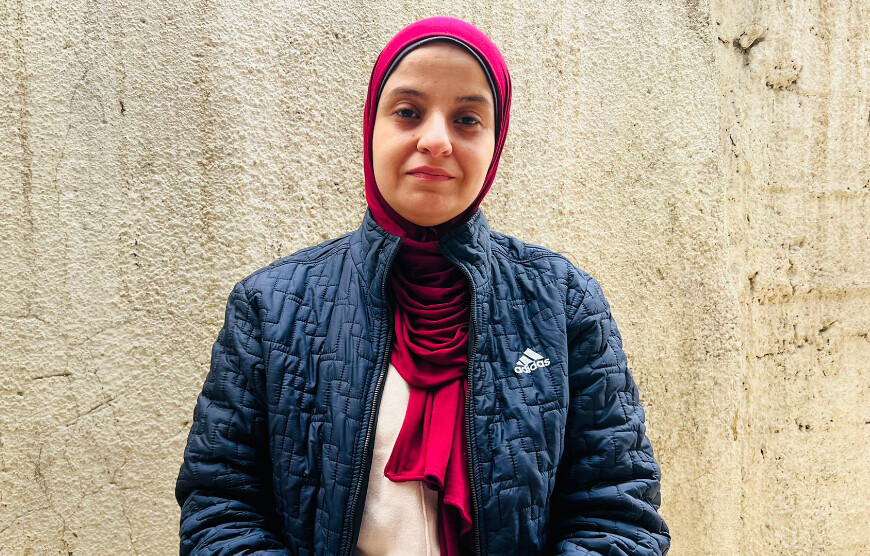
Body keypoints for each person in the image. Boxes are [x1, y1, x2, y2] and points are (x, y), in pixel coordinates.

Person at [175, 16, 670, 556]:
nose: (435, 140)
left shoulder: (563, 302)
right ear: (372, 126)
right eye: (408, 112)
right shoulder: (271, 306)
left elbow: (617, 513)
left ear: (496, 142)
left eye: (467, 119)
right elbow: (220, 508)